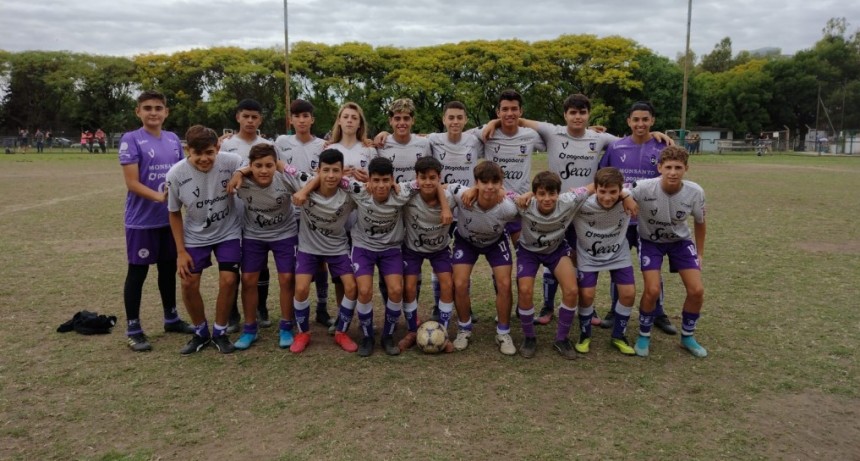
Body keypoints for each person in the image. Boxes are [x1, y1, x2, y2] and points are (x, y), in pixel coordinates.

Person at [118, 90, 194, 352]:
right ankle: (133, 329)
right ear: (138, 111)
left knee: (167, 269)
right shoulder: (131, 139)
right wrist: (159, 197)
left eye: (158, 108)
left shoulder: (172, 139)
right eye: (147, 108)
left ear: (166, 112)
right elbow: (132, 182)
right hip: (141, 221)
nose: (153, 112)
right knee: (137, 273)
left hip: (169, 220)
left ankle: (171, 318)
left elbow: (184, 170)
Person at [598, 101, 676, 335]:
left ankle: (658, 311)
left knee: (653, 268)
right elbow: (602, 176)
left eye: (645, 119)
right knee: (617, 266)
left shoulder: (663, 147)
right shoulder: (616, 147)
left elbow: (673, 175)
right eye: (636, 119)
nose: (640, 124)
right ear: (628, 122)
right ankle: (615, 309)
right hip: (620, 220)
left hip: (650, 221)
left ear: (652, 121)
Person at [166, 125, 243, 355]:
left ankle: (220, 332)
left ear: (218, 148)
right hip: (195, 235)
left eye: (209, 152)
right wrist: (181, 252)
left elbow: (249, 165)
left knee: (229, 280)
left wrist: (240, 173)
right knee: (188, 282)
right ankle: (200, 332)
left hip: (228, 231)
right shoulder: (176, 174)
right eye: (197, 153)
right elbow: (174, 213)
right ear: (187, 150)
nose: (204, 158)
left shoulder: (231, 161)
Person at [628, 146, 708, 358]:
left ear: (686, 169)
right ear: (659, 168)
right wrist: (627, 198)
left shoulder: (695, 192)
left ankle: (687, 337)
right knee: (652, 290)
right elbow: (621, 192)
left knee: (697, 290)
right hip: (650, 241)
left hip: (680, 242)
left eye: (678, 168)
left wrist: (700, 253)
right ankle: (644, 334)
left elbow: (700, 222)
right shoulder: (643, 187)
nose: (673, 172)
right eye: (669, 167)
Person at [280, 149, 360, 354]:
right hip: (308, 248)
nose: (331, 175)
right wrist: (241, 173)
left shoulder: (350, 190)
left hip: (337, 247)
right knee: (301, 289)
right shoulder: (303, 181)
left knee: (351, 287)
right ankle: (303, 333)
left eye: (336, 170)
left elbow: (373, 190)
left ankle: (341, 332)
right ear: (318, 171)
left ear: (343, 171)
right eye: (326, 170)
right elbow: (279, 164)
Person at [511, 172, 592, 359]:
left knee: (572, 290)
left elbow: (594, 186)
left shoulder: (569, 200)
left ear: (558, 193)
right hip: (528, 252)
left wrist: (625, 197)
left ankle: (561, 339)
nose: (547, 199)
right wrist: (526, 195)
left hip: (556, 250)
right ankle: (529, 337)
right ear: (534, 194)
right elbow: (500, 192)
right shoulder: (524, 203)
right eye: (541, 194)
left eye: (552, 193)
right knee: (525, 290)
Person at [231, 144, 300, 350]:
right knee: (248, 279)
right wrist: (239, 172)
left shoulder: (285, 179)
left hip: (285, 233)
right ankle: (250, 329)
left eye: (269, 165)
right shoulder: (242, 182)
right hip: (254, 235)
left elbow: (309, 182)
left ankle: (286, 326)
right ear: (250, 166)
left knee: (287, 278)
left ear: (275, 165)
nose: (263, 170)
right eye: (258, 165)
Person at [450, 161, 519, 355]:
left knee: (504, 283)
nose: (490, 187)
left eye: (494, 182)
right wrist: (471, 190)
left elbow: (527, 202)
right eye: (484, 182)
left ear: (501, 183)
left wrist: (509, 194)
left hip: (495, 242)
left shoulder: (508, 208)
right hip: (466, 241)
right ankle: (464, 328)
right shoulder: (462, 194)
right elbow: (444, 186)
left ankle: (503, 332)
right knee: (460, 283)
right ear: (476, 182)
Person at [274, 99, 332, 329]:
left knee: (320, 261)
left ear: (312, 119)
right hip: (289, 211)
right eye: (297, 116)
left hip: (315, 211)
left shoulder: (323, 145)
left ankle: (322, 308)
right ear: (291, 120)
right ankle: (294, 311)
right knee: (295, 263)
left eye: (305, 116)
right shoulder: (280, 142)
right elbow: (271, 161)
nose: (301, 120)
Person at [570, 167, 638, 356]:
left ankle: (619, 335)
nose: (607, 197)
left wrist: (626, 196)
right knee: (586, 295)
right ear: (596, 188)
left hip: (618, 254)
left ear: (620, 189)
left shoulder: (629, 197)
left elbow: (642, 188)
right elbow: (561, 199)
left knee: (628, 293)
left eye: (613, 192)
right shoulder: (581, 203)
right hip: (588, 256)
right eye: (602, 191)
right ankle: (585, 335)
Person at [221, 99, 275, 330]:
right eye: (246, 116)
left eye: (254, 117)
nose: (250, 121)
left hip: (259, 213)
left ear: (260, 120)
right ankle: (232, 312)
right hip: (234, 212)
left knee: (259, 263)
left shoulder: (268, 145)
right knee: (232, 264)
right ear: (238, 117)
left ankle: (261, 308)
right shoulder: (226, 145)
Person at [399, 157, 458, 353]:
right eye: (423, 178)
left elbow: (470, 192)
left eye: (433, 178)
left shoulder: (450, 197)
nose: (427, 182)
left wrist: (446, 206)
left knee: (447, 284)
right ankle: (411, 331)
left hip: (439, 249)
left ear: (439, 178)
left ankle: (442, 332)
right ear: (416, 178)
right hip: (412, 249)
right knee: (408, 286)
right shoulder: (408, 195)